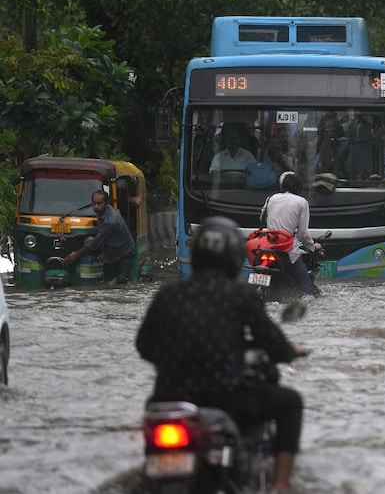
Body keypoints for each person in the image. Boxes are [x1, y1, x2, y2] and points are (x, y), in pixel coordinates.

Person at [135, 216, 306, 493]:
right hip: (225, 398)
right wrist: (290, 351)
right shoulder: (240, 295)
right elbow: (273, 344)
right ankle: (281, 485)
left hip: (169, 400)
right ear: (234, 257)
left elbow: (144, 345)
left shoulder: (168, 293)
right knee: (290, 402)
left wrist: (173, 361)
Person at [261, 172, 322, 297]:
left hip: (267, 245)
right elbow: (302, 234)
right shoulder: (301, 202)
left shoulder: (271, 198)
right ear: (299, 187)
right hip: (288, 249)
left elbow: (262, 219)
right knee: (307, 290)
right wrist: (313, 246)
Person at [63, 190, 136, 285]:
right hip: (111, 253)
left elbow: (95, 243)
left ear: (107, 203)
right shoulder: (102, 212)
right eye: (94, 203)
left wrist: (77, 254)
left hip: (125, 252)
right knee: (108, 281)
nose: (96, 207)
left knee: (122, 281)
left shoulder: (111, 221)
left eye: (99, 203)